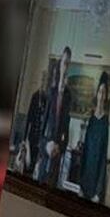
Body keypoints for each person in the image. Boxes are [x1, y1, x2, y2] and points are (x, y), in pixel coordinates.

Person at [37, 47, 73, 187]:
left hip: (57, 159)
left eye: (69, 64)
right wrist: (46, 145)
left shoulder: (68, 96)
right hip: (45, 155)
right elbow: (42, 128)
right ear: (60, 64)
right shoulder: (51, 92)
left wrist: (61, 147)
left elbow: (66, 131)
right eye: (64, 63)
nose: (66, 67)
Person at [79, 72, 110, 202]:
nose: (101, 95)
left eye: (104, 92)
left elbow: (103, 156)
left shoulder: (105, 122)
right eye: (100, 92)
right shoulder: (90, 119)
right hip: (85, 175)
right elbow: (84, 151)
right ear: (97, 94)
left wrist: (98, 191)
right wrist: (79, 184)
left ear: (106, 96)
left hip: (97, 178)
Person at [21, 69, 49, 176]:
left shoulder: (47, 99)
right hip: (31, 136)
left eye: (45, 80)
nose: (43, 82)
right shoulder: (35, 96)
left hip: (40, 139)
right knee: (26, 163)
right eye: (42, 79)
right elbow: (28, 118)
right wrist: (24, 139)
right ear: (40, 81)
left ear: (46, 82)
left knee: (34, 168)